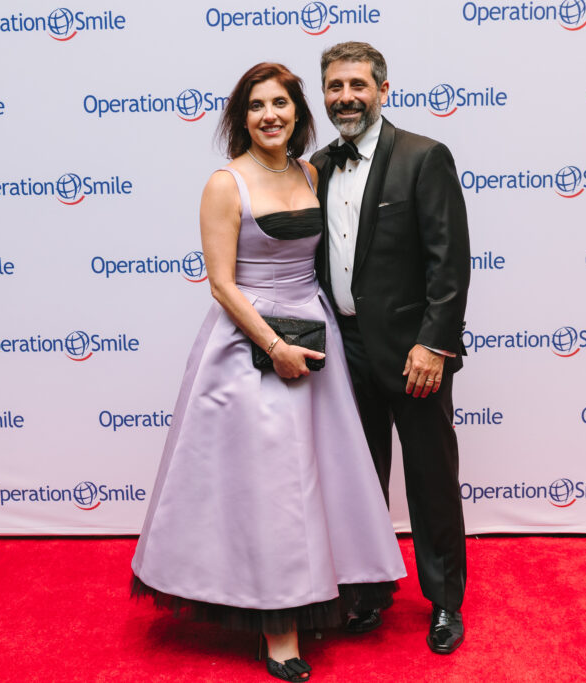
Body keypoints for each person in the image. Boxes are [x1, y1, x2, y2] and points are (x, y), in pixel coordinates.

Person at [131, 62, 405, 681]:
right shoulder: (226, 184)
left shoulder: (311, 171)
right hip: (249, 345)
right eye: (257, 106)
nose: (270, 115)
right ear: (241, 117)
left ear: (297, 114)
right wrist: (273, 345)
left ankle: (321, 593)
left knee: (317, 478)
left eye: (280, 103)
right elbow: (222, 285)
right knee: (270, 486)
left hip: (317, 336)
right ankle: (278, 628)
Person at [310, 42, 471, 655]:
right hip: (343, 350)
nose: (344, 96)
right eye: (333, 86)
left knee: (430, 477)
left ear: (383, 89)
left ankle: (445, 602)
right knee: (358, 478)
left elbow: (448, 262)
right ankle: (369, 594)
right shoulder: (317, 165)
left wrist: (435, 343)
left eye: (356, 84)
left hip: (414, 354)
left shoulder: (423, 157)